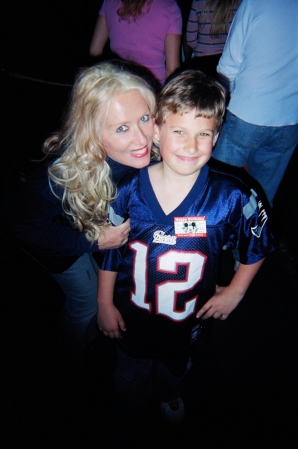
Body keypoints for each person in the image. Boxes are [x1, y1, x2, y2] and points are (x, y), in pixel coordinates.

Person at [96, 69, 275, 430]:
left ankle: (168, 393)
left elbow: (259, 241)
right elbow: (111, 250)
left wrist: (236, 291)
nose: (191, 146)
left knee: (175, 369)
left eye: (203, 134)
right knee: (128, 375)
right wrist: (103, 302)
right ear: (158, 131)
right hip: (133, 313)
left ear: (217, 137)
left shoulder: (234, 195)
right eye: (179, 131)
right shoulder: (128, 189)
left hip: (186, 320)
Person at [7, 60, 159, 379]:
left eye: (145, 117)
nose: (142, 137)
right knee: (87, 303)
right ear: (93, 133)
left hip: (93, 229)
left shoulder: (146, 148)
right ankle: (67, 362)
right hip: (60, 243)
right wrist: (91, 240)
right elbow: (19, 224)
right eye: (122, 127)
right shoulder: (58, 180)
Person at [211, 0, 298, 208]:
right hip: (290, 120)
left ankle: (216, 238)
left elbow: (228, 67)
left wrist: (215, 114)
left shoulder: (256, 3)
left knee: (217, 189)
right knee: (260, 200)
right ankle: (253, 239)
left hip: (247, 112)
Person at [89, 0, 182, 87]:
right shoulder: (169, 6)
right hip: (152, 90)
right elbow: (172, 69)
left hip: (118, 84)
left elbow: (95, 51)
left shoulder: (110, 2)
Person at [184, 0, 240, 78]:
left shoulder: (198, 2)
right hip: (227, 59)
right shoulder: (237, 2)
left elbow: (190, 40)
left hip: (202, 61)